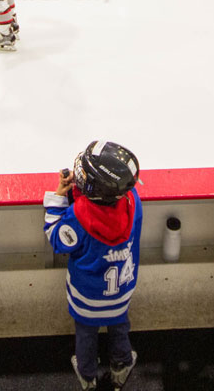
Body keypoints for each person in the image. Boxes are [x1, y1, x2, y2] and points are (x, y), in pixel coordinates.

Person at [44, 141, 142, 390]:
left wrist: (58, 197)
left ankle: (88, 376)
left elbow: (57, 237)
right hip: (120, 294)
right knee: (120, 330)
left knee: (86, 337)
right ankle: (121, 366)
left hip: (86, 299)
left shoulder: (77, 217)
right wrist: (81, 192)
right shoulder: (133, 203)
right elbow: (104, 207)